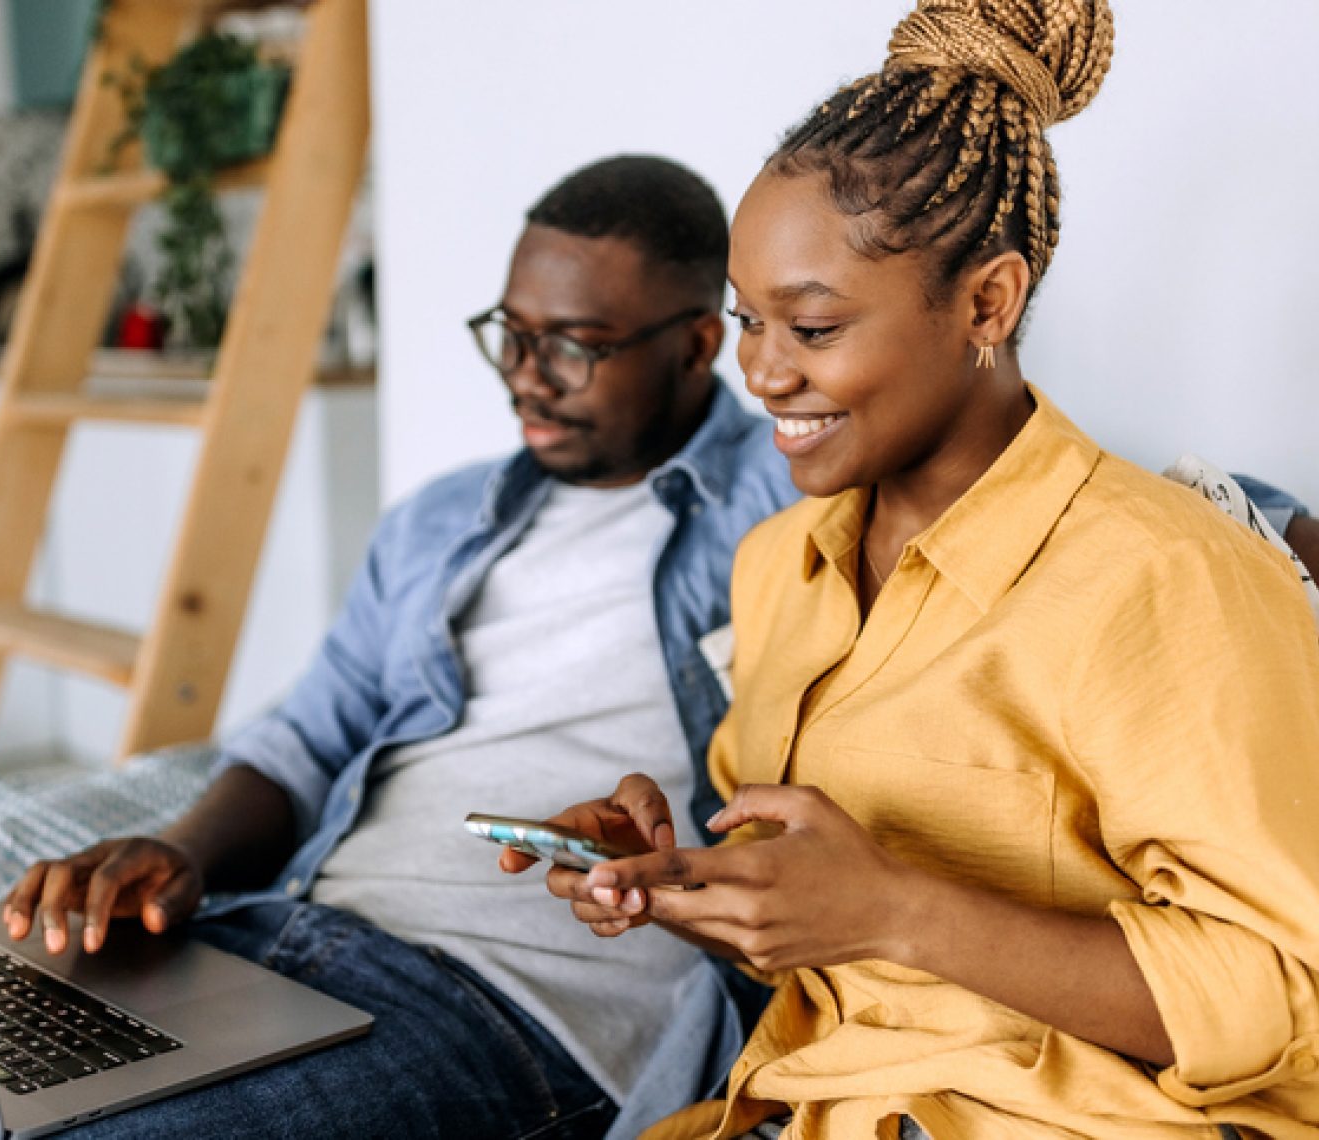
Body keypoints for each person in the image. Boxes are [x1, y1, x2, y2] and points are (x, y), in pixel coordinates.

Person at [0, 155, 798, 1139]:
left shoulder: (790, 500)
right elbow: (308, 739)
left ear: (696, 344)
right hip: (267, 940)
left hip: (507, 1005)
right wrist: (181, 852)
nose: (524, 380)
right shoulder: (441, 521)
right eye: (509, 334)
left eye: (573, 346)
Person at [523, 4, 1319, 1138]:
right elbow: (822, 928)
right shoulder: (779, 570)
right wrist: (671, 881)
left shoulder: (1167, 579)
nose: (760, 372)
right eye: (747, 320)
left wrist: (898, 911)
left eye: (811, 326)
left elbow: (1282, 993)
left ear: (985, 302)